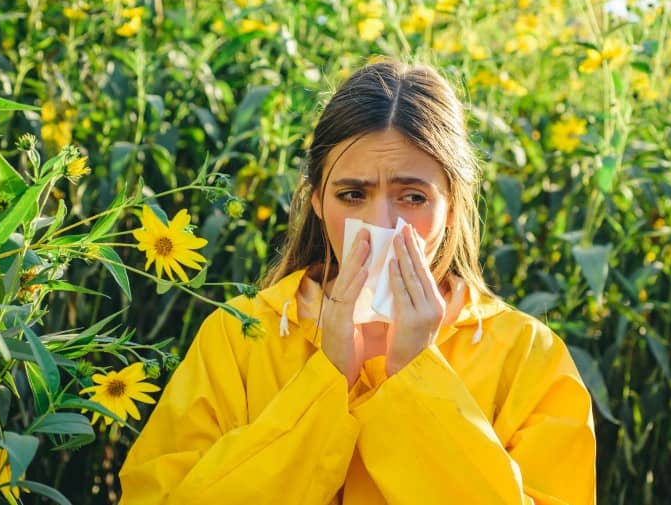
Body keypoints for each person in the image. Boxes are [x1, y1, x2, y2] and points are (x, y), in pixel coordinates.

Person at [119, 59, 597, 504]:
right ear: (318, 201)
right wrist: (323, 381)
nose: (383, 224)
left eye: (411, 197)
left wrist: (418, 377)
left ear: (451, 204)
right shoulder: (241, 336)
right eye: (352, 194)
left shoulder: (527, 356)